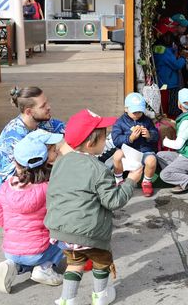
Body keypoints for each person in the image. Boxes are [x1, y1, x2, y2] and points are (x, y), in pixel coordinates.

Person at [46, 109, 143, 305]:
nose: (106, 139)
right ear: (91, 143)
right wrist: (131, 181)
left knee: (74, 263)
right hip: (90, 232)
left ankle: (67, 299)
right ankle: (100, 297)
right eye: (104, 137)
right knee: (101, 261)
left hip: (61, 230)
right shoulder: (98, 169)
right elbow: (113, 201)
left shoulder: (60, 163)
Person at [0, 132, 64, 294]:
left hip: (10, 249)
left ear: (16, 164)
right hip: (39, 250)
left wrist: (14, 227)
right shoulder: (48, 188)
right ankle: (45, 267)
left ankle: (14, 266)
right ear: (46, 162)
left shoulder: (5, 187)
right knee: (63, 239)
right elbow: (59, 218)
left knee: (24, 253)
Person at [0, 86, 65, 189]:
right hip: (18, 191)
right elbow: (21, 175)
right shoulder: (15, 137)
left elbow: (69, 129)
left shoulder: (42, 121)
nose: (49, 107)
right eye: (43, 106)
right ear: (29, 112)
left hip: (35, 180)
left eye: (47, 102)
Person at [156, 88, 188, 198]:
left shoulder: (187, 122)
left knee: (165, 174)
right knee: (159, 155)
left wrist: (166, 141)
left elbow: (178, 145)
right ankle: (183, 181)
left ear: (180, 104)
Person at [110, 93, 159, 197]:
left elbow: (156, 136)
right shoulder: (120, 122)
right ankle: (119, 180)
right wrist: (130, 138)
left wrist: (149, 135)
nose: (137, 114)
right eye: (134, 111)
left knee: (152, 160)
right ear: (126, 109)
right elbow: (116, 140)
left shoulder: (147, 121)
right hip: (128, 152)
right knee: (117, 155)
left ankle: (147, 182)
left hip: (144, 151)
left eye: (140, 111)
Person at [153, 31, 187, 118]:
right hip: (170, 83)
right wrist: (183, 57)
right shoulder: (165, 52)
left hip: (162, 81)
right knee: (172, 108)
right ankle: (171, 123)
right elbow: (177, 65)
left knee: (164, 105)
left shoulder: (157, 48)